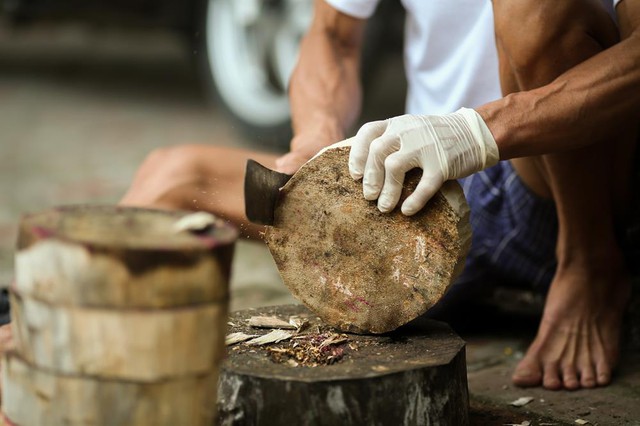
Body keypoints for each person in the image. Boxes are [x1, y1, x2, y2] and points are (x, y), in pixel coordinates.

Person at [2, 0, 633, 394]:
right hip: (413, 187)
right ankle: (54, 342)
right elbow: (330, 37)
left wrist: (477, 132)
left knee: (535, 10)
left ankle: (590, 266)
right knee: (173, 175)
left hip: (562, 178)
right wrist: (315, 140)